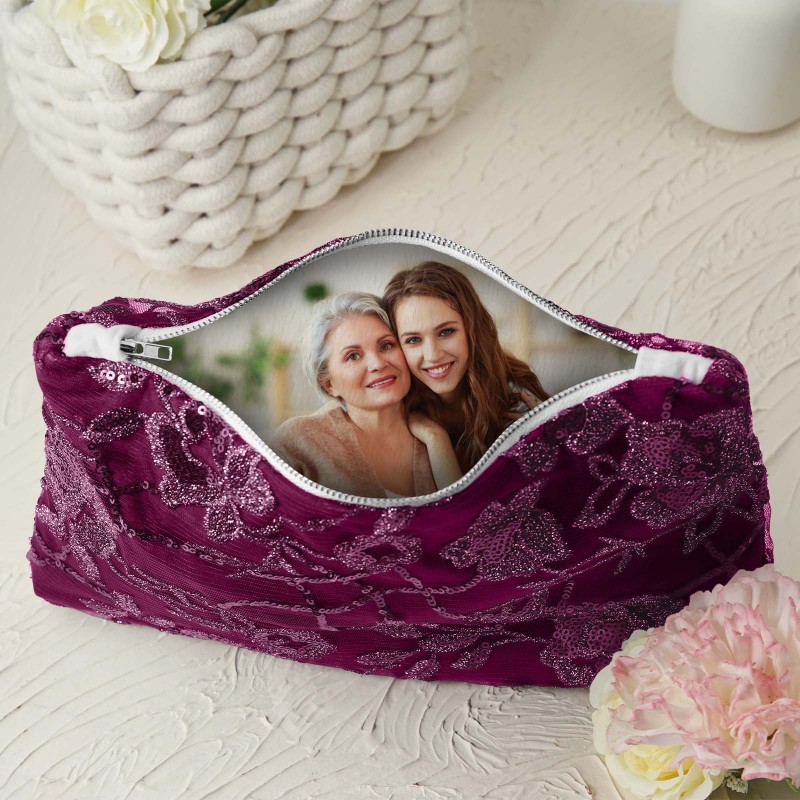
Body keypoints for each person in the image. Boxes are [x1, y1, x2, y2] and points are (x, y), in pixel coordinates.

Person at [270, 292, 462, 498]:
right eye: (353, 356)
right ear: (329, 385)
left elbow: (466, 514)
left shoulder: (446, 430)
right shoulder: (298, 442)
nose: (378, 364)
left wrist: (436, 438)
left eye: (386, 345)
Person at [383, 262, 549, 472]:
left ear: (473, 330)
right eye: (413, 340)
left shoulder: (516, 402)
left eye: (446, 332)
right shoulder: (395, 400)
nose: (433, 355)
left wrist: (434, 437)